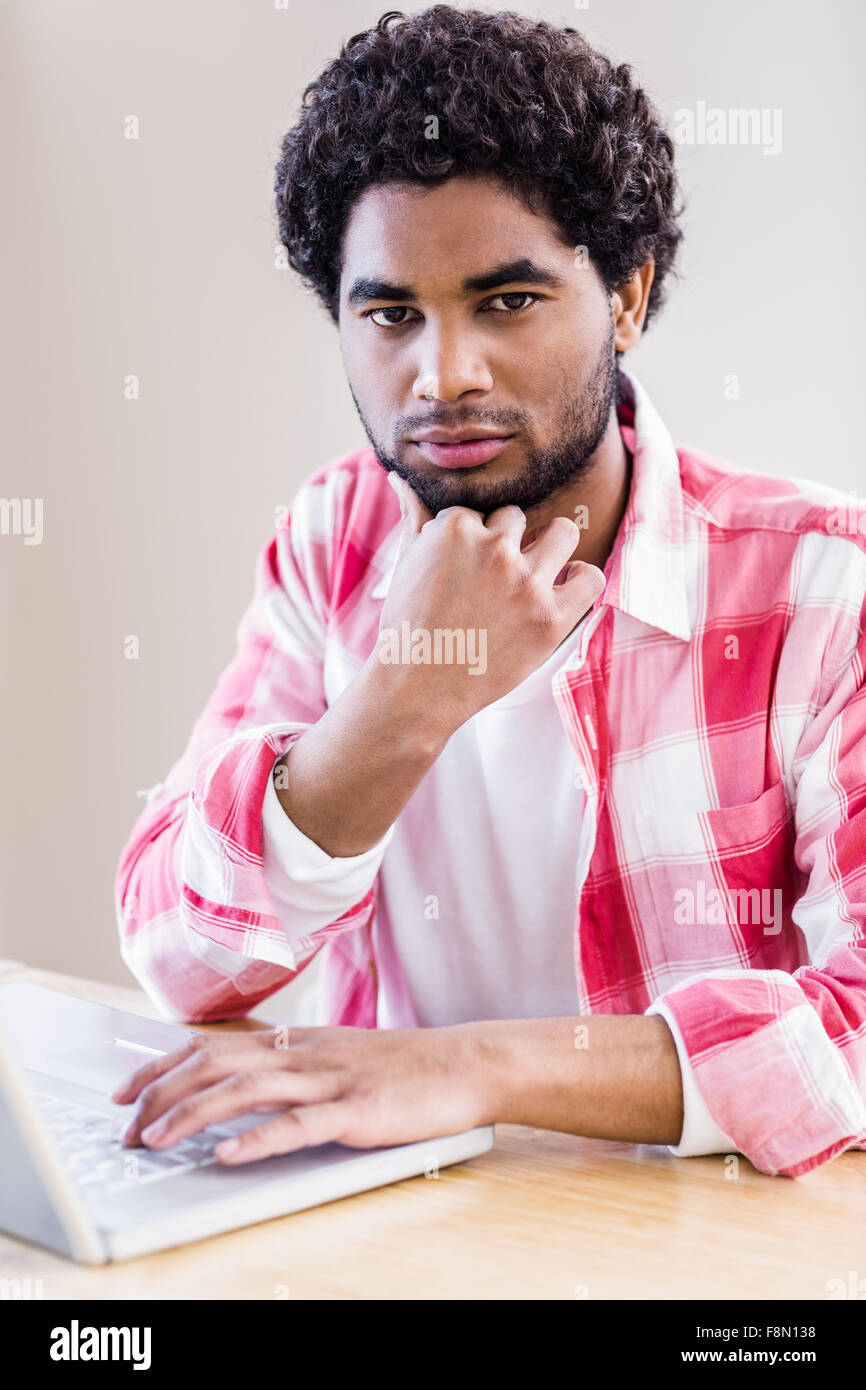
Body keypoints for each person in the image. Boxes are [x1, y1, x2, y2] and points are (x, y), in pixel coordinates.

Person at [113, 6, 866, 1178]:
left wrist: (468, 1066)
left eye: (504, 302)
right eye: (390, 314)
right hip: (412, 1232)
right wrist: (400, 699)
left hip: (704, 1261)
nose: (443, 374)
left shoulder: (822, 588)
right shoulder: (333, 540)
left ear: (623, 297)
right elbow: (179, 959)